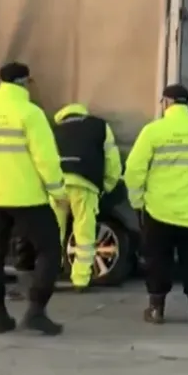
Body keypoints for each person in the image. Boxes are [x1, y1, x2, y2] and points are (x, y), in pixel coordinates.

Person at [0, 62, 68, 335]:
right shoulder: (31, 114)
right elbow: (46, 159)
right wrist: (58, 192)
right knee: (48, 250)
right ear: (24, 82)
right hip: (28, 198)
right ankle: (36, 311)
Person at [124, 84, 188, 325]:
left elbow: (134, 170)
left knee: (158, 260)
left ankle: (157, 310)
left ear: (166, 102)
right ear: (186, 103)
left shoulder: (152, 131)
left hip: (159, 210)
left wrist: (138, 201)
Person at [50, 103, 123, 291]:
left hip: (57, 184)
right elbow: (112, 160)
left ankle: (48, 275)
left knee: (51, 232)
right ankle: (80, 280)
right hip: (85, 184)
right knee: (84, 233)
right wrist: (107, 185)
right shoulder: (99, 126)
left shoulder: (53, 129)